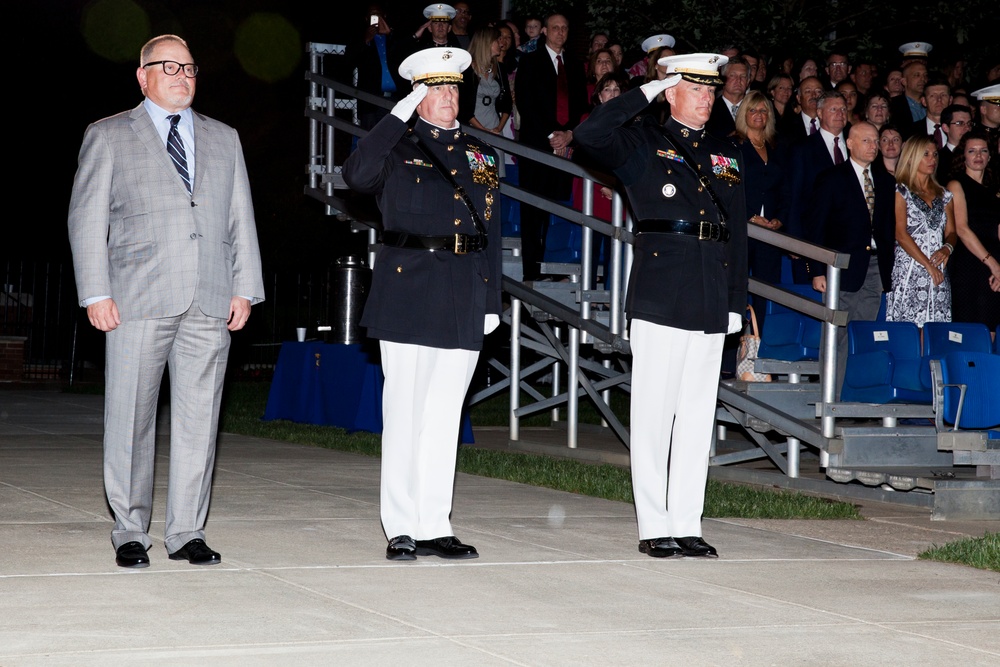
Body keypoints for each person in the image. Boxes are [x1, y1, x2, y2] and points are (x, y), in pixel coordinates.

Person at [67, 34, 265, 569]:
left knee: (200, 419)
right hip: (136, 298)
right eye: (168, 66)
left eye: (190, 67)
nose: (182, 75)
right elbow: (86, 219)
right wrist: (96, 292)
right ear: (143, 76)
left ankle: (187, 531)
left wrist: (245, 286)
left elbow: (238, 217)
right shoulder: (108, 135)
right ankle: (130, 529)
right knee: (130, 415)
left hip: (209, 296)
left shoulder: (224, 138)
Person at [574, 53, 748, 559]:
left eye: (711, 89)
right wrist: (645, 92)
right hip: (660, 289)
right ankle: (654, 524)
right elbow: (589, 135)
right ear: (671, 91)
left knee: (696, 416)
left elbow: (737, 234)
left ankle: (687, 521)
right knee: (654, 414)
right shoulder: (641, 142)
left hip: (711, 290)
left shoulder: (726, 154)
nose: (706, 97)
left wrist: (737, 300)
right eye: (694, 88)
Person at [342, 47, 502, 561]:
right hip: (408, 289)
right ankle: (401, 525)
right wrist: (397, 115)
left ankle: (436, 522)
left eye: (453, 87)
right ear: (417, 94)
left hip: (463, 290)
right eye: (435, 89)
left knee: (443, 414)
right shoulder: (394, 147)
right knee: (406, 411)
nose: (447, 97)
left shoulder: (481, 154)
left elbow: (491, 231)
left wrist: (491, 297)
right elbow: (356, 175)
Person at [805, 123, 897, 396]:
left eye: (875, 140)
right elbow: (816, 226)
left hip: (873, 268)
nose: (872, 145)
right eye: (866, 140)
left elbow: (887, 227)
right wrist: (818, 270)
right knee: (836, 335)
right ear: (850, 144)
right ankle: (830, 397)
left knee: (863, 334)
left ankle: (855, 394)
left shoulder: (885, 180)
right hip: (840, 269)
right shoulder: (832, 178)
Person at [513, 13, 588, 280]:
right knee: (533, 210)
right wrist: (550, 135)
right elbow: (526, 102)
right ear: (544, 31)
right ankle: (531, 272)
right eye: (555, 28)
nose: (560, 32)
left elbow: (581, 105)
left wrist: (568, 134)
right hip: (537, 146)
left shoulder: (577, 66)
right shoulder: (530, 62)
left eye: (564, 28)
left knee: (559, 208)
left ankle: (555, 269)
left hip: (566, 146)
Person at [885, 136, 958, 327]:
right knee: (909, 327)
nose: (932, 159)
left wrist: (947, 248)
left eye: (934, 154)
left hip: (938, 265)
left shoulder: (944, 194)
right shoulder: (901, 191)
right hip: (910, 268)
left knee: (936, 326)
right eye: (925, 154)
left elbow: (952, 232)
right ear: (911, 157)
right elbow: (900, 234)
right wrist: (927, 265)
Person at [734, 91, 786, 330]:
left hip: (770, 233)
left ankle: (761, 350)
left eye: (763, 110)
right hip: (741, 229)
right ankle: (731, 355)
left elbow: (786, 189)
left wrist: (779, 219)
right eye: (753, 110)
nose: (758, 115)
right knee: (736, 290)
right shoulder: (732, 145)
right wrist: (749, 216)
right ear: (744, 114)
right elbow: (728, 188)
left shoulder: (777, 147)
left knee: (768, 292)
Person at [945, 132, 1000, 329]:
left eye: (983, 151)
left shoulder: (995, 189)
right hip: (970, 263)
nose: (978, 155)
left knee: (993, 325)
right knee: (972, 328)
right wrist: (993, 265)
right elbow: (961, 229)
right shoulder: (956, 184)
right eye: (972, 151)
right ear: (964, 156)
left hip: (995, 262)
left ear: (990, 156)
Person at [345, 5, 402, 130]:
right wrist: (366, 40)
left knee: (395, 141)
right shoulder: (360, 37)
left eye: (378, 14)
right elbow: (348, 61)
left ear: (384, 16)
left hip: (396, 100)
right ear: (367, 19)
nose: (375, 18)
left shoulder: (393, 37)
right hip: (370, 102)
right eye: (372, 15)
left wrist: (390, 34)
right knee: (371, 141)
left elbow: (404, 50)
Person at [457, 26, 511, 135]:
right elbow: (463, 108)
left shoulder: (500, 68)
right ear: (488, 43)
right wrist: (483, 131)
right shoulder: (466, 70)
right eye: (497, 40)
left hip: (494, 127)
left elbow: (507, 103)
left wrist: (499, 128)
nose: (501, 44)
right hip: (472, 129)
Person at [707, 57, 750, 138]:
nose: (738, 80)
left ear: (748, 81)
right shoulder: (709, 109)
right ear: (723, 79)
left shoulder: (756, 109)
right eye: (732, 75)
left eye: (743, 76)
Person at [936, 104, 974, 183]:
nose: (967, 128)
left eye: (969, 124)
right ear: (945, 127)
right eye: (960, 123)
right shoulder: (938, 159)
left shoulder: (978, 155)